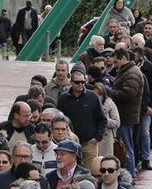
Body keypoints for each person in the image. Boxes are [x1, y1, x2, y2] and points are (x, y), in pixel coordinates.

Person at [58, 70, 107, 168]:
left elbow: (102, 119)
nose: (80, 84)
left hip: (89, 143)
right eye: (77, 82)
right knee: (69, 170)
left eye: (83, 82)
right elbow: (59, 119)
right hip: (70, 143)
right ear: (71, 82)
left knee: (91, 172)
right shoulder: (64, 99)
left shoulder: (93, 97)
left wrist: (97, 137)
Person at [111, 48, 144, 178]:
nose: (115, 65)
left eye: (116, 62)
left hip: (126, 115)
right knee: (125, 146)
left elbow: (128, 94)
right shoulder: (128, 71)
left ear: (124, 59)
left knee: (126, 147)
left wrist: (111, 91)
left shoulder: (132, 73)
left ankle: (130, 176)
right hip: (126, 114)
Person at [92, 83, 121, 158]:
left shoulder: (110, 104)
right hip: (93, 140)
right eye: (95, 94)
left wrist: (103, 120)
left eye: (99, 94)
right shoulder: (89, 105)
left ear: (103, 95)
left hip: (107, 140)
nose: (97, 96)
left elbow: (117, 123)